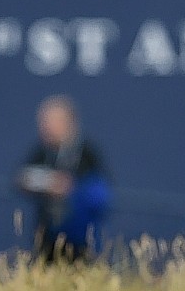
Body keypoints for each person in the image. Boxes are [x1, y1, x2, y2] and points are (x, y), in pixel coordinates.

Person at [16, 94, 113, 262]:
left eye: (50, 122)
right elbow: (21, 178)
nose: (45, 128)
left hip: (80, 238)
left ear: (68, 123)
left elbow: (100, 193)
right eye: (43, 122)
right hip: (47, 233)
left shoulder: (86, 153)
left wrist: (70, 188)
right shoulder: (42, 152)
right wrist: (47, 183)